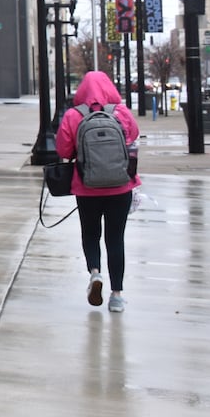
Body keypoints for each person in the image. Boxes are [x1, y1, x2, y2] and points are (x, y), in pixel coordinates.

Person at [55, 71, 141, 313]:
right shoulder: (121, 112)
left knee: (91, 234)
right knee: (116, 238)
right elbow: (133, 135)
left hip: (87, 187)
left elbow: (63, 149)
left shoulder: (74, 115)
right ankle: (117, 296)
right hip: (120, 186)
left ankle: (95, 272)